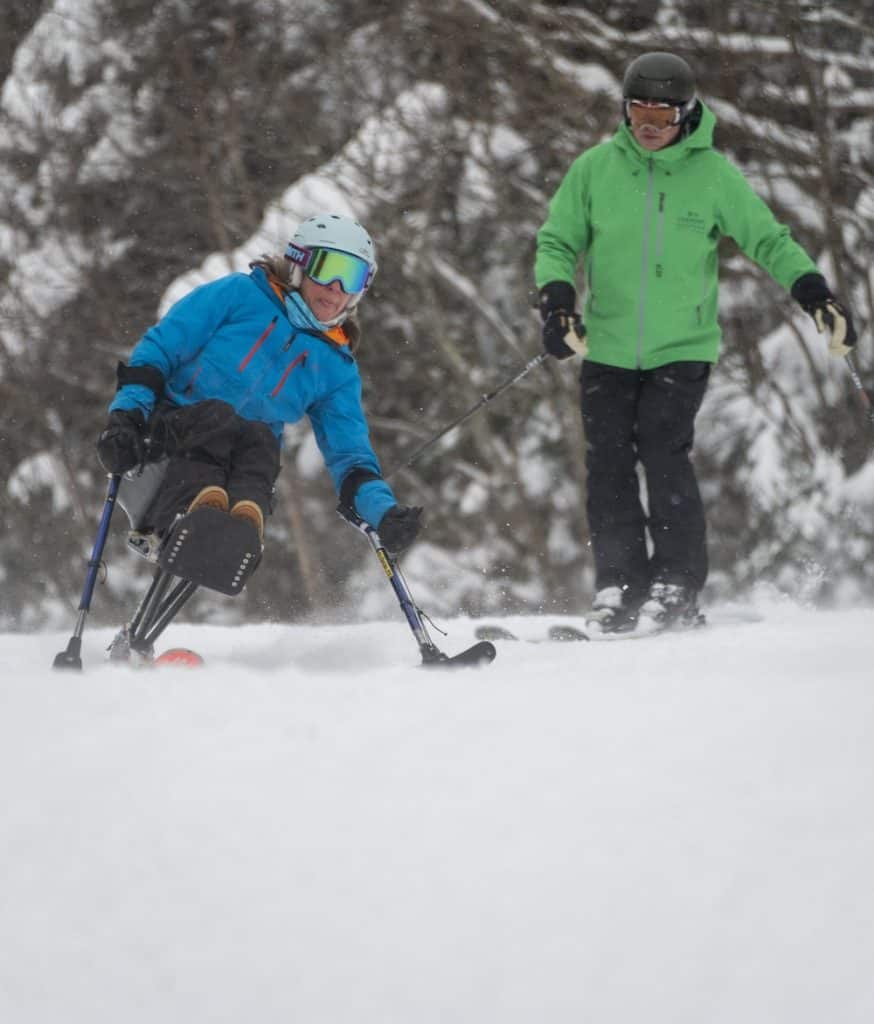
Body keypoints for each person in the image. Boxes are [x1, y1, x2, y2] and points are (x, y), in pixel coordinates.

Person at [534, 51, 857, 635]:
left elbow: (768, 239)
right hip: (605, 346)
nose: (648, 127)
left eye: (661, 115)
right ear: (623, 111)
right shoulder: (595, 169)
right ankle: (619, 585)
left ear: (686, 114)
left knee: (662, 450)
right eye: (637, 113)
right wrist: (557, 303)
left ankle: (677, 582)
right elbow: (557, 240)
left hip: (683, 347)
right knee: (607, 463)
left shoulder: (713, 176)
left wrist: (814, 293)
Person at [96, 212, 422, 560]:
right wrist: (126, 418)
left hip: (236, 467)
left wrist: (383, 514)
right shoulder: (240, 295)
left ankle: (239, 530)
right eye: (328, 268)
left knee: (260, 442)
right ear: (299, 264)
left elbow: (350, 456)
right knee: (219, 418)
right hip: (165, 443)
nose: (336, 287)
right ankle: (190, 512)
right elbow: (158, 351)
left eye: (352, 277)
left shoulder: (335, 367)